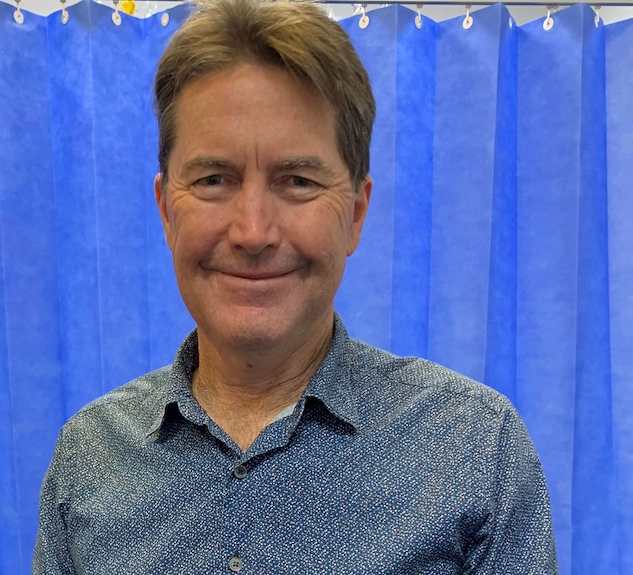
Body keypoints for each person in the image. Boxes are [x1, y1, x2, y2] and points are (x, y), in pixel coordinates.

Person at [33, 0, 559, 572]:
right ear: (165, 210)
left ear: (355, 213)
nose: (253, 231)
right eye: (213, 180)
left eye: (298, 181)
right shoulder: (88, 459)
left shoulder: (476, 451)